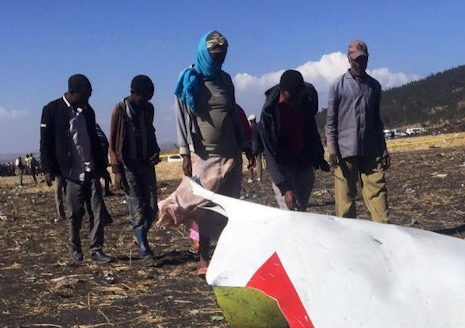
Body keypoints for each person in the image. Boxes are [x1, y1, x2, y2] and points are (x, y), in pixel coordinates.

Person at [158, 30, 254, 276]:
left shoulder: (225, 80)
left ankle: (224, 255)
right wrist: (184, 153)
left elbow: (233, 115)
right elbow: (181, 118)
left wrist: (245, 145)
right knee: (203, 206)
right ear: (204, 53)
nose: (219, 60)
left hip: (230, 153)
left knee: (228, 206)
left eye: (222, 56)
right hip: (204, 155)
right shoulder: (190, 79)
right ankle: (203, 259)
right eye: (215, 56)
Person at [40, 74, 113, 264]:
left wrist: (102, 167)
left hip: (91, 169)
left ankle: (96, 249)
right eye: (85, 95)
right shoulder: (51, 110)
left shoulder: (88, 111)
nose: (88, 99)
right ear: (72, 93)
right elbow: (45, 143)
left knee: (97, 211)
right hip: (71, 172)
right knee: (74, 214)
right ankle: (75, 248)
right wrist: (47, 168)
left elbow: (94, 140)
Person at [326, 39, 390, 223]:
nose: (359, 64)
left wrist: (383, 150)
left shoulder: (374, 86)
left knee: (379, 196)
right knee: (345, 203)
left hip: (371, 150)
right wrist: (332, 149)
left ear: (367, 59)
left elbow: (377, 121)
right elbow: (330, 123)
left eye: (363, 60)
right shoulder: (337, 85)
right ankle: (347, 237)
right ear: (349, 59)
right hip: (345, 151)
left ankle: (384, 234)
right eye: (356, 60)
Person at [258, 69, 329, 212]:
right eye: (290, 100)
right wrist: (284, 187)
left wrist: (318, 157)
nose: (294, 104)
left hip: (303, 163)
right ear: (281, 91)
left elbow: (311, 129)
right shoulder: (269, 112)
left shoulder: (308, 99)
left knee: (300, 210)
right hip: (283, 165)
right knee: (290, 212)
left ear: (302, 92)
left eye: (297, 99)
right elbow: (270, 153)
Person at [110, 74, 161, 259]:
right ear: (134, 93)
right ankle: (144, 250)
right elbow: (113, 142)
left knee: (152, 209)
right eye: (144, 97)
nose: (146, 100)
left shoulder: (148, 109)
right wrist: (117, 171)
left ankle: (140, 236)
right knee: (137, 209)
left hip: (146, 164)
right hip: (128, 166)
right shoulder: (120, 110)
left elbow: (150, 131)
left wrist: (155, 151)